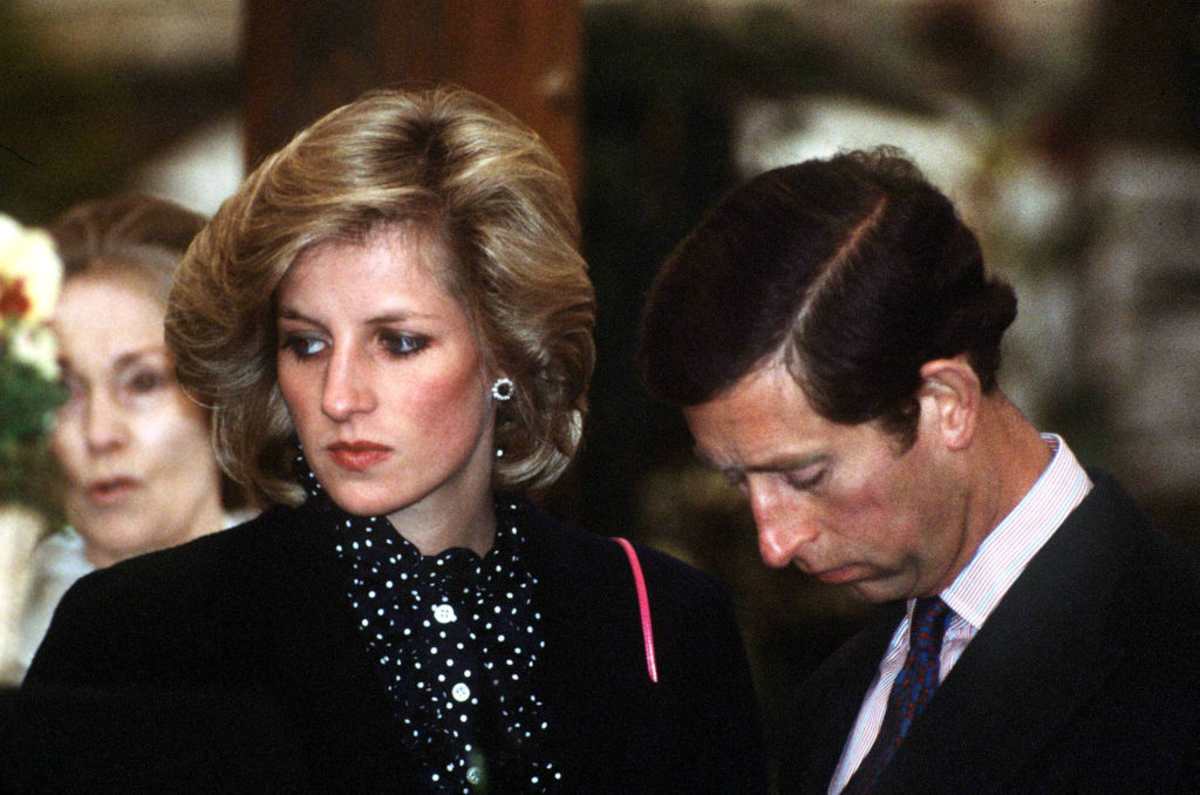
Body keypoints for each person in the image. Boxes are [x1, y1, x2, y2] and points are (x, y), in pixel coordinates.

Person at [22, 87, 765, 793]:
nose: (340, 396)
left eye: (399, 342)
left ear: (507, 349)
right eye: (307, 345)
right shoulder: (134, 631)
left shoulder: (662, 621)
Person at [636, 148, 1200, 793]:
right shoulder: (832, 697)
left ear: (946, 404)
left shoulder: (1175, 664)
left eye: (806, 476)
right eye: (738, 481)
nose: (774, 542)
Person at [13, 194, 247, 680]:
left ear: (222, 393)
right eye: (63, 390)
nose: (100, 434)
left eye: (143, 382)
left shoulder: (314, 607)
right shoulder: (13, 630)